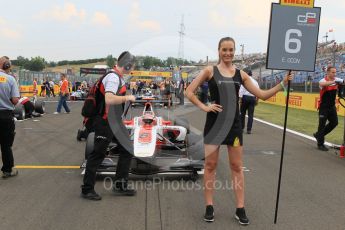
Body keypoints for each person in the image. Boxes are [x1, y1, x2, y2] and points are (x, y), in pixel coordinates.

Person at [185, 37, 293, 225]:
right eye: (224, 50)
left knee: (236, 167)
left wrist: (283, 84)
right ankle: (209, 206)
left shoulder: (241, 74)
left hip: (234, 125)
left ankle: (240, 208)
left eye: (231, 50)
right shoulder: (209, 71)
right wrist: (204, 107)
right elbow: (189, 92)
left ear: (234, 51)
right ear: (218, 50)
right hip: (214, 125)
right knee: (210, 166)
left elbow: (263, 95)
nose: (228, 53)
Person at [81, 51, 137, 200]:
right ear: (127, 65)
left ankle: (120, 185)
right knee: (98, 154)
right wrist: (128, 97)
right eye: (132, 67)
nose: (132, 70)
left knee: (127, 148)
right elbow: (109, 99)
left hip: (114, 121)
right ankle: (87, 189)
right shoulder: (112, 78)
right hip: (104, 122)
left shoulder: (115, 76)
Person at [313, 66, 343, 151]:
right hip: (324, 107)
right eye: (333, 72)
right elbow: (322, 84)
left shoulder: (336, 79)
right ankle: (320, 144)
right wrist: (334, 82)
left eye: (335, 72)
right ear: (328, 72)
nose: (334, 74)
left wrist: (341, 82)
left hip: (332, 106)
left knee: (334, 123)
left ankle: (318, 135)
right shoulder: (323, 80)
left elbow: (343, 82)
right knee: (321, 125)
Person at [0, 56, 20, 178]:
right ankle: (7, 170)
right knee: (6, 145)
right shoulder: (10, 79)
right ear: (7, 66)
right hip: (5, 116)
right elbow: (15, 100)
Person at [239, 70, 259, 134]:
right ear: (251, 74)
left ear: (246, 74)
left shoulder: (244, 80)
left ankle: (241, 128)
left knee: (242, 113)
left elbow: (241, 91)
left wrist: (240, 100)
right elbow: (258, 91)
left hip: (245, 97)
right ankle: (249, 129)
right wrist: (257, 100)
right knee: (251, 115)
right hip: (252, 98)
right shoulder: (255, 82)